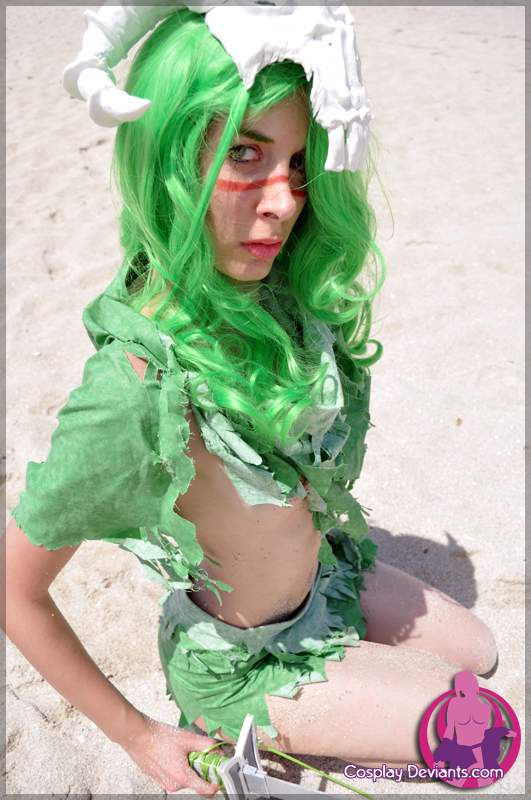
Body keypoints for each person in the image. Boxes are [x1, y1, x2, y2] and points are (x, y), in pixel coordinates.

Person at [3, 6, 498, 796]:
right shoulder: (135, 386)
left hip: (325, 580)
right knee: (487, 739)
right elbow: (15, 589)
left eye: (298, 163)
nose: (285, 202)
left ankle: (347, 689)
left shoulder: (273, 294)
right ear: (169, 160)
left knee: (478, 653)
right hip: (247, 661)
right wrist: (139, 737)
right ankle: (256, 728)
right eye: (243, 154)